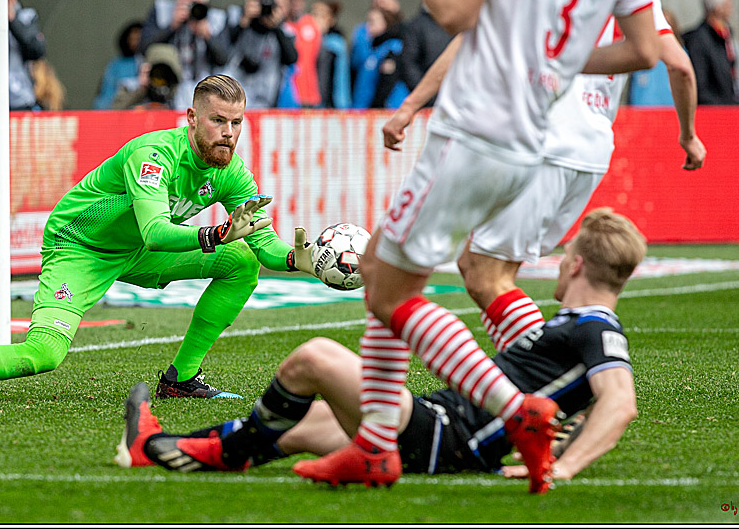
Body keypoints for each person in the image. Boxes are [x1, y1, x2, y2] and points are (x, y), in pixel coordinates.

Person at [294, 0, 661, 494]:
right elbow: (644, 51)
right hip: (529, 141)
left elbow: (454, 14)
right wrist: (558, 64)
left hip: (474, 130)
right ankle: (378, 447)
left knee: (389, 288)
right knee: (397, 267)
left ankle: (518, 409)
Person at [381, 0, 705, 368]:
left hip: (522, 133)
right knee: (475, 268)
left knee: (435, 281)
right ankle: (531, 387)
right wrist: (688, 136)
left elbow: (463, 25)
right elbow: (675, 64)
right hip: (590, 149)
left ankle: (556, 379)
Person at [115, 208, 646, 492]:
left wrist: (568, 467)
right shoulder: (574, 323)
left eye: (564, 255)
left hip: (447, 439)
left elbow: (619, 402)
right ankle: (160, 448)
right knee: (305, 426)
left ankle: (203, 451)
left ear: (576, 265)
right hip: (440, 424)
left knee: (315, 358)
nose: (556, 262)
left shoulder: (597, 327)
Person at [0, 74, 327, 404]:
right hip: (80, 247)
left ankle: (181, 379)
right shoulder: (153, 155)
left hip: (137, 251)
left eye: (236, 122)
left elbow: (259, 239)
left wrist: (296, 260)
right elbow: (156, 230)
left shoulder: (229, 169)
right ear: (191, 118)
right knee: (44, 353)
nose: (228, 133)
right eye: (217, 121)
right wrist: (215, 232)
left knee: (242, 262)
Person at [139, 0, 230, 111]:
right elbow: (144, 47)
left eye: (197, 4)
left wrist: (207, 34)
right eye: (187, 4)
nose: (192, 10)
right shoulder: (162, 10)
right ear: (177, 0)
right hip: (167, 89)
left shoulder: (216, 18)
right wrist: (171, 26)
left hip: (205, 89)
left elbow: (223, 57)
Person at [223, 0, 298, 110]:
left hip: (266, 100)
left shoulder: (283, 30)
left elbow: (292, 58)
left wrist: (276, 27)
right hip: (235, 99)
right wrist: (244, 21)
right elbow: (222, 50)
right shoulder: (237, 18)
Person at [397, 0, 456, 109]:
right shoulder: (415, 26)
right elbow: (408, 65)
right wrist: (426, 97)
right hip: (425, 105)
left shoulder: (462, 26)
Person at [682, 0, 739, 105]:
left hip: (731, 104)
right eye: (727, 3)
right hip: (714, 109)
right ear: (717, 7)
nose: (731, 7)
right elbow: (700, 82)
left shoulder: (726, 35)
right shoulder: (699, 39)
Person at [351, 7, 405, 109]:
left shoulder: (393, 48)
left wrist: (376, 106)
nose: (368, 26)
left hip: (384, 110)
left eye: (372, 22)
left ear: (385, 23)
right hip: (364, 108)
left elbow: (388, 81)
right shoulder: (371, 49)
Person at [349, 0, 401, 89]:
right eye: (377, 1)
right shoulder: (362, 33)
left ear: (395, 5)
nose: (381, 6)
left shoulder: (403, 35)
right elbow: (355, 63)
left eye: (385, 2)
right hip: (363, 93)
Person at [282, 0, 323, 108]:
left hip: (310, 93)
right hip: (287, 92)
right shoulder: (282, 26)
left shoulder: (311, 24)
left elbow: (319, 60)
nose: (296, 1)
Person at [110, 43, 183, 110]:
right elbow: (114, 112)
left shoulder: (184, 91)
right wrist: (140, 89)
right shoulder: (129, 87)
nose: (160, 77)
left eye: (166, 72)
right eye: (157, 73)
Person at [93, 21, 144, 110]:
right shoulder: (116, 65)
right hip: (119, 116)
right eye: (133, 39)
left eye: (140, 39)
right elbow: (106, 97)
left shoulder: (156, 62)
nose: (136, 43)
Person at [311, 0, 351, 109]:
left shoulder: (335, 45)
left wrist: (341, 105)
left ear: (330, 20)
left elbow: (339, 79)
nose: (314, 19)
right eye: (313, 14)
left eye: (319, 15)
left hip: (328, 106)